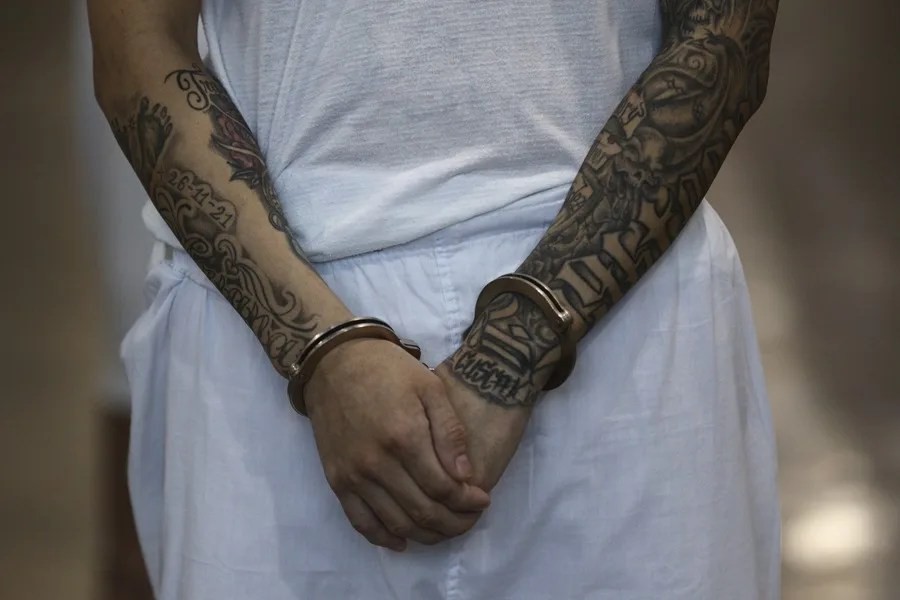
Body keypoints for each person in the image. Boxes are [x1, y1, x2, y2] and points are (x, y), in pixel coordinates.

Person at [88, 0, 781, 598]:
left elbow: (725, 33)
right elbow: (139, 46)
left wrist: (513, 349)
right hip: (275, 325)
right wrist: (321, 351)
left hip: (615, 309)